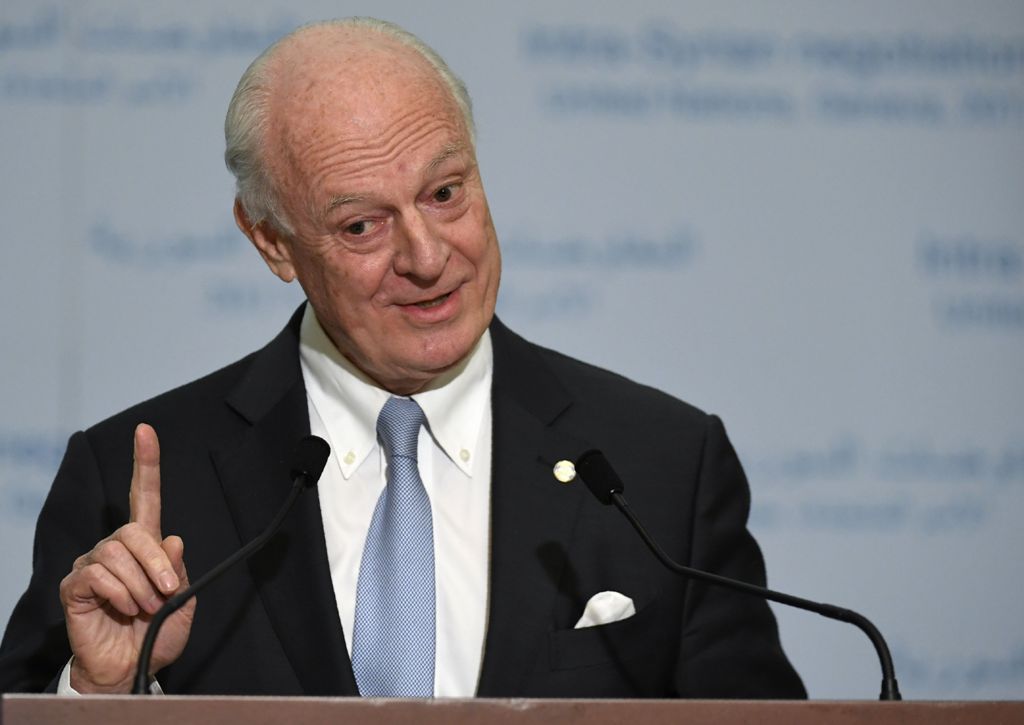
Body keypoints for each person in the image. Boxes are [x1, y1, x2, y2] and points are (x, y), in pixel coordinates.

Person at [0, 18, 805, 698]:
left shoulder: (661, 463)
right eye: (361, 226)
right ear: (273, 241)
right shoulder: (139, 478)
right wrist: (98, 695)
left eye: (446, 192)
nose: (428, 256)